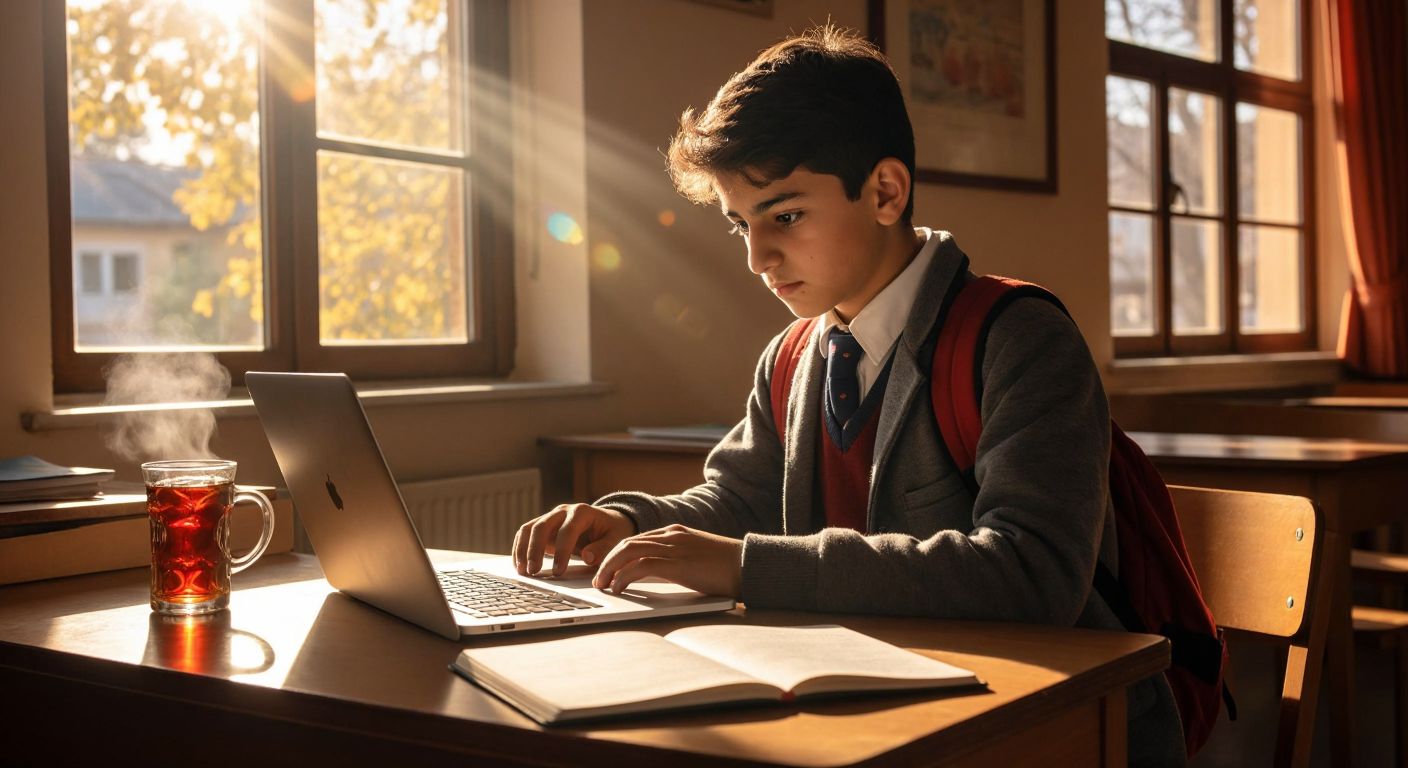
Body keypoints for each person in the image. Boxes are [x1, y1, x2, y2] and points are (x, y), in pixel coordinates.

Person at [512, 25, 1184, 765]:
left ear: (885, 191)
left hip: (1047, 725)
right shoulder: (791, 355)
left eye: (786, 215)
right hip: (872, 711)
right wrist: (626, 522)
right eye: (741, 224)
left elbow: (1034, 574)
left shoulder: (1017, 338)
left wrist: (745, 567)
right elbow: (737, 502)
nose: (757, 258)